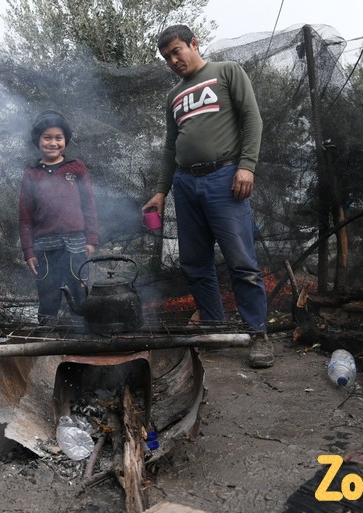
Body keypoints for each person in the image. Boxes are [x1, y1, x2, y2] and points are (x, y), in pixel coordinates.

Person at [141, 25, 273, 368]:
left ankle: (258, 335)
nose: (173, 60)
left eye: (176, 51)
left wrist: (247, 166)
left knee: (241, 261)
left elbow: (252, 119)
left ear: (193, 44)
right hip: (185, 183)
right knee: (194, 263)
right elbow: (170, 147)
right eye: (167, 57)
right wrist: (161, 191)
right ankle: (215, 329)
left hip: (224, 178)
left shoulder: (226, 72)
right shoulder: (173, 96)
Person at [19, 110, 99, 325]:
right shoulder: (31, 174)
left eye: (58, 138)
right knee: (48, 294)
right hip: (44, 247)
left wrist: (91, 239)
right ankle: (46, 333)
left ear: (65, 140)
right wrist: (28, 251)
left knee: (80, 291)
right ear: (38, 140)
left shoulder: (76, 167)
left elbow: (89, 204)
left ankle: (83, 334)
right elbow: (24, 216)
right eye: (47, 137)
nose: (53, 143)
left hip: (76, 243)